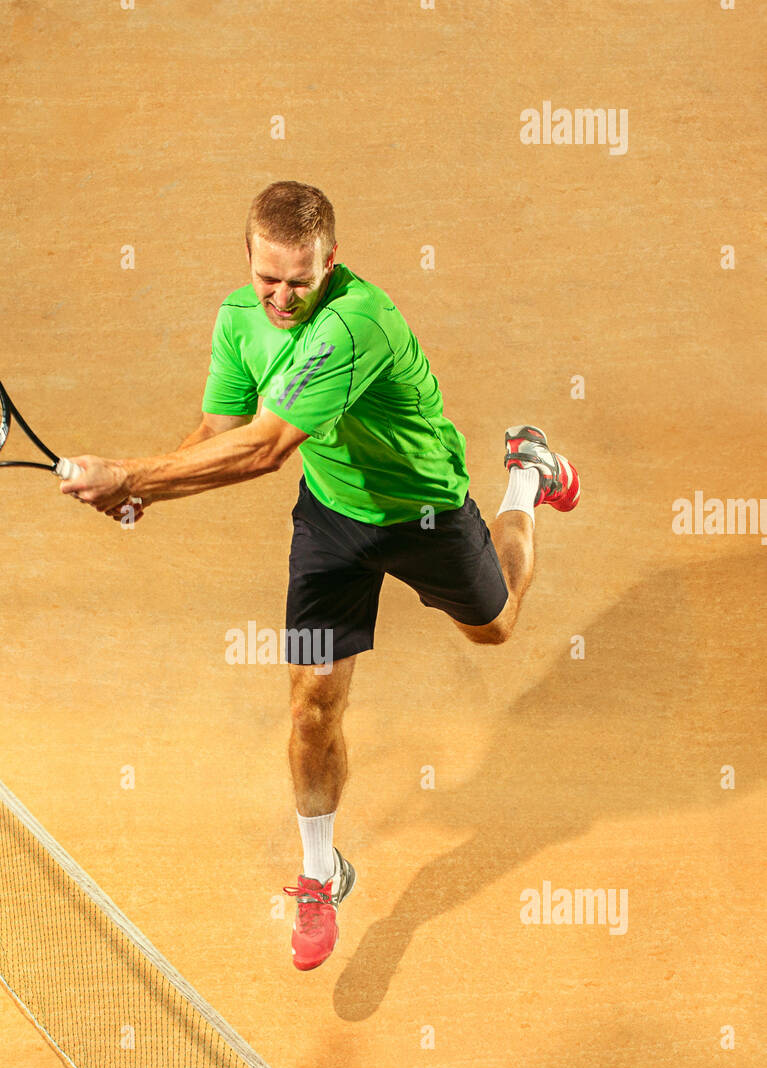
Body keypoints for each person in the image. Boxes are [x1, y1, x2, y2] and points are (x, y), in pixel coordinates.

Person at [59, 180, 580, 972]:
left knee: (497, 624)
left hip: (423, 512)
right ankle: (319, 870)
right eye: (267, 279)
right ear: (248, 260)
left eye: (298, 281)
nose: (281, 297)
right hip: (331, 521)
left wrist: (129, 477)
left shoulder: (353, 324)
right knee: (310, 707)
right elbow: (218, 431)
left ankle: (524, 477)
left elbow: (266, 449)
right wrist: (151, 491)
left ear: (329, 263)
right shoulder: (240, 319)